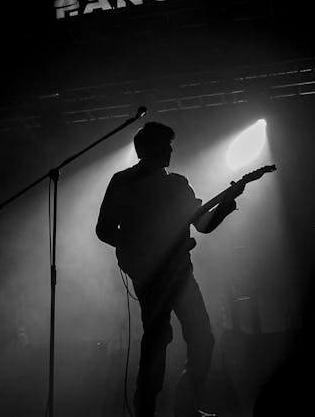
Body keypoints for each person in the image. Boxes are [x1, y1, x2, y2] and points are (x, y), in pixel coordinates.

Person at [96, 122, 243, 417]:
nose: (171, 150)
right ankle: (146, 410)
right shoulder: (123, 182)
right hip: (151, 276)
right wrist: (138, 248)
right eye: (166, 145)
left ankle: (186, 406)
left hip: (180, 272)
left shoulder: (177, 184)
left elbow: (202, 225)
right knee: (157, 341)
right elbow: (104, 230)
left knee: (199, 338)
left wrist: (227, 204)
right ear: (147, 149)